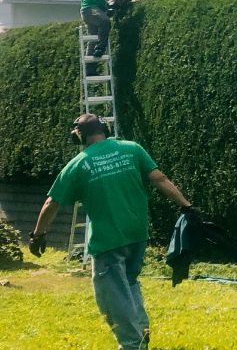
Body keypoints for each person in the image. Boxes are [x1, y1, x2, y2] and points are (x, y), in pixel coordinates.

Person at [28, 113, 195, 350]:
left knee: (112, 296)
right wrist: (187, 206)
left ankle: (131, 344)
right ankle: (142, 332)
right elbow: (160, 178)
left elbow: (51, 204)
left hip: (108, 240)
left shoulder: (78, 164)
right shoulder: (132, 149)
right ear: (104, 129)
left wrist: (38, 234)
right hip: (137, 234)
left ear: (79, 136)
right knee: (129, 282)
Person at [81, 0, 126, 71]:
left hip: (91, 10)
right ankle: (100, 48)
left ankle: (90, 70)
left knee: (93, 39)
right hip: (90, 10)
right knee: (105, 21)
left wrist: (108, 7)